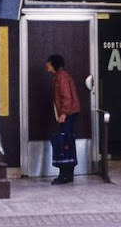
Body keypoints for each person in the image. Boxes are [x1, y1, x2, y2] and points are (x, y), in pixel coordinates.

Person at [46, 54, 80, 185]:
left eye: (48, 64)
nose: (47, 67)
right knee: (67, 143)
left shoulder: (61, 77)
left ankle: (64, 175)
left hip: (68, 115)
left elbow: (66, 97)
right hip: (70, 114)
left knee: (64, 144)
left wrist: (63, 114)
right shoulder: (60, 76)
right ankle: (68, 174)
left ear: (53, 64)